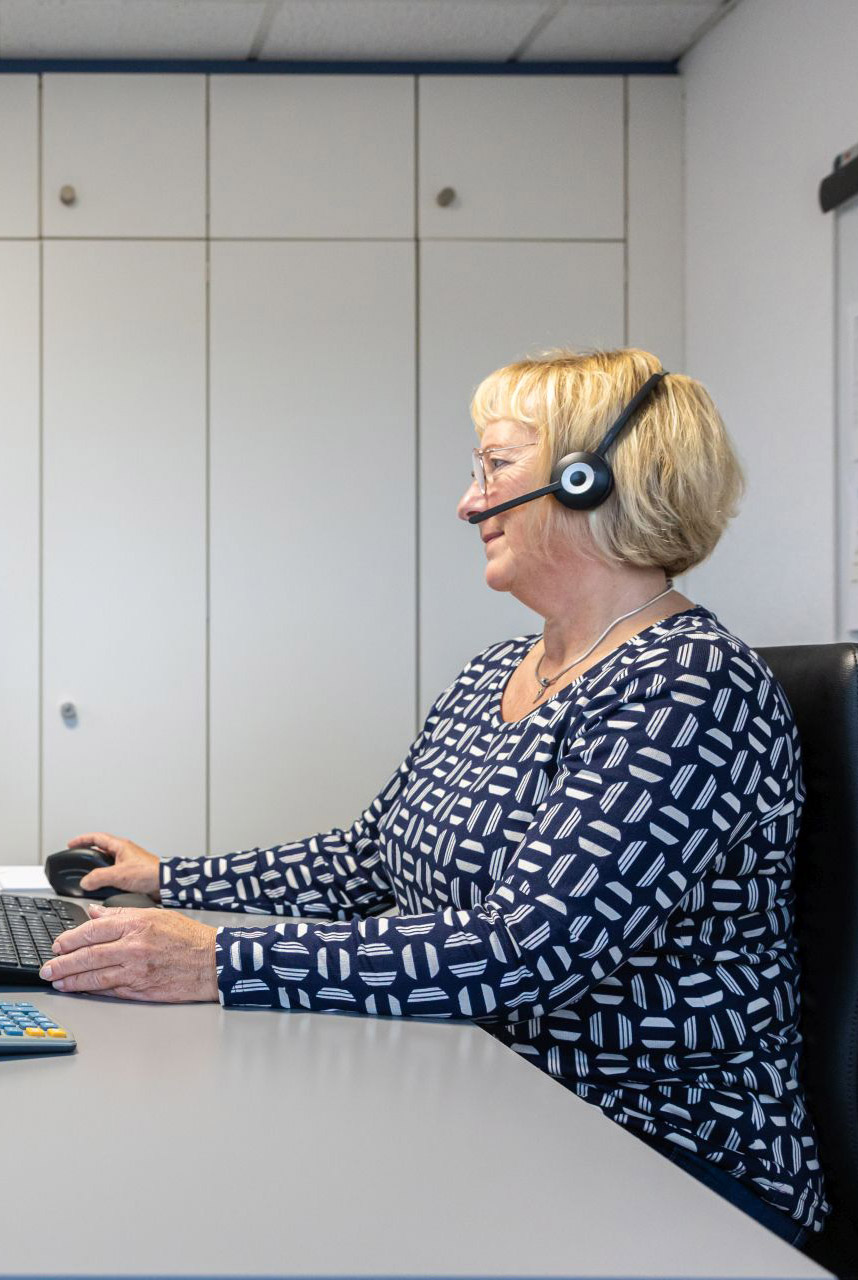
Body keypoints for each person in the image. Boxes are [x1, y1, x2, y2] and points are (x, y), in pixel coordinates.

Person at [41, 347, 828, 1244]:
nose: (467, 503)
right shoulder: (498, 670)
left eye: (495, 467)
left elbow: (522, 951)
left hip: (659, 1159)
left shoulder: (688, 687)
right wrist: (170, 878)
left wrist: (220, 961)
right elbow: (369, 858)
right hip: (488, 1103)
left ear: (591, 481)